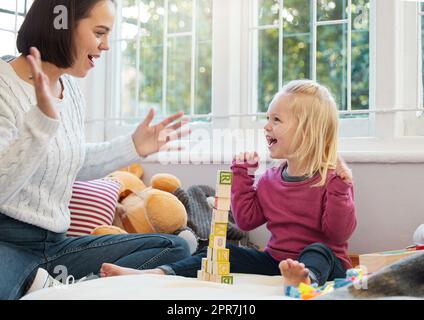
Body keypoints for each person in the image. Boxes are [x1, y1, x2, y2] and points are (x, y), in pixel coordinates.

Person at [0, 0, 191, 300]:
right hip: (6, 242)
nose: (106, 46)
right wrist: (40, 125)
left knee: (175, 247)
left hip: (56, 247)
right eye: (100, 32)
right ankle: (61, 286)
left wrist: (133, 147)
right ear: (61, 25)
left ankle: (54, 285)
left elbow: (68, 160)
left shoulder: (70, 88)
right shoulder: (4, 85)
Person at [100, 80, 357, 289]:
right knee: (224, 252)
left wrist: (341, 190)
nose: (266, 126)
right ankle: (157, 272)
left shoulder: (333, 180)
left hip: (328, 263)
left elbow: (338, 233)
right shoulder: (269, 179)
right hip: (276, 260)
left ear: (308, 130)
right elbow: (246, 221)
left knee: (318, 250)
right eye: (268, 118)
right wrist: (242, 177)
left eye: (276, 120)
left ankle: (307, 279)